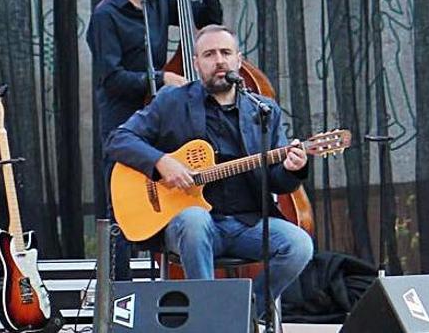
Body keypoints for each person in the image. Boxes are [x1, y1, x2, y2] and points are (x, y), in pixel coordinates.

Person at [106, 24, 314, 318]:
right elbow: (118, 139)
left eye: (226, 52)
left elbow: (279, 181)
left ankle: (245, 312)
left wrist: (295, 168)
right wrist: (161, 162)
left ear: (238, 60)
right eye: (209, 54)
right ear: (196, 63)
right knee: (194, 219)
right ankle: (209, 318)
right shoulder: (172, 101)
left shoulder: (263, 111)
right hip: (191, 225)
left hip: (248, 224)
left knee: (299, 245)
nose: (219, 60)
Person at [86, 0, 223, 279]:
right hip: (123, 125)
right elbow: (111, 78)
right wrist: (161, 78)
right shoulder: (106, 16)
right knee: (119, 217)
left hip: (158, 125)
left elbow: (207, 18)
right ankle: (118, 300)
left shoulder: (160, 1)